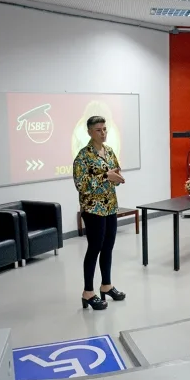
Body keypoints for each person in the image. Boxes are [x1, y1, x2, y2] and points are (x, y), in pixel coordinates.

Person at [73, 116, 126, 311]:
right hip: (93, 209)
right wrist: (105, 176)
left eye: (104, 129)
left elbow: (115, 171)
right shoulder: (82, 156)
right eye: (98, 130)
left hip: (110, 206)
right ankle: (88, 292)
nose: (103, 133)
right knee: (94, 247)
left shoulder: (109, 151)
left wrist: (117, 177)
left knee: (108, 247)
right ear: (89, 132)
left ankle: (106, 285)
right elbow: (81, 184)